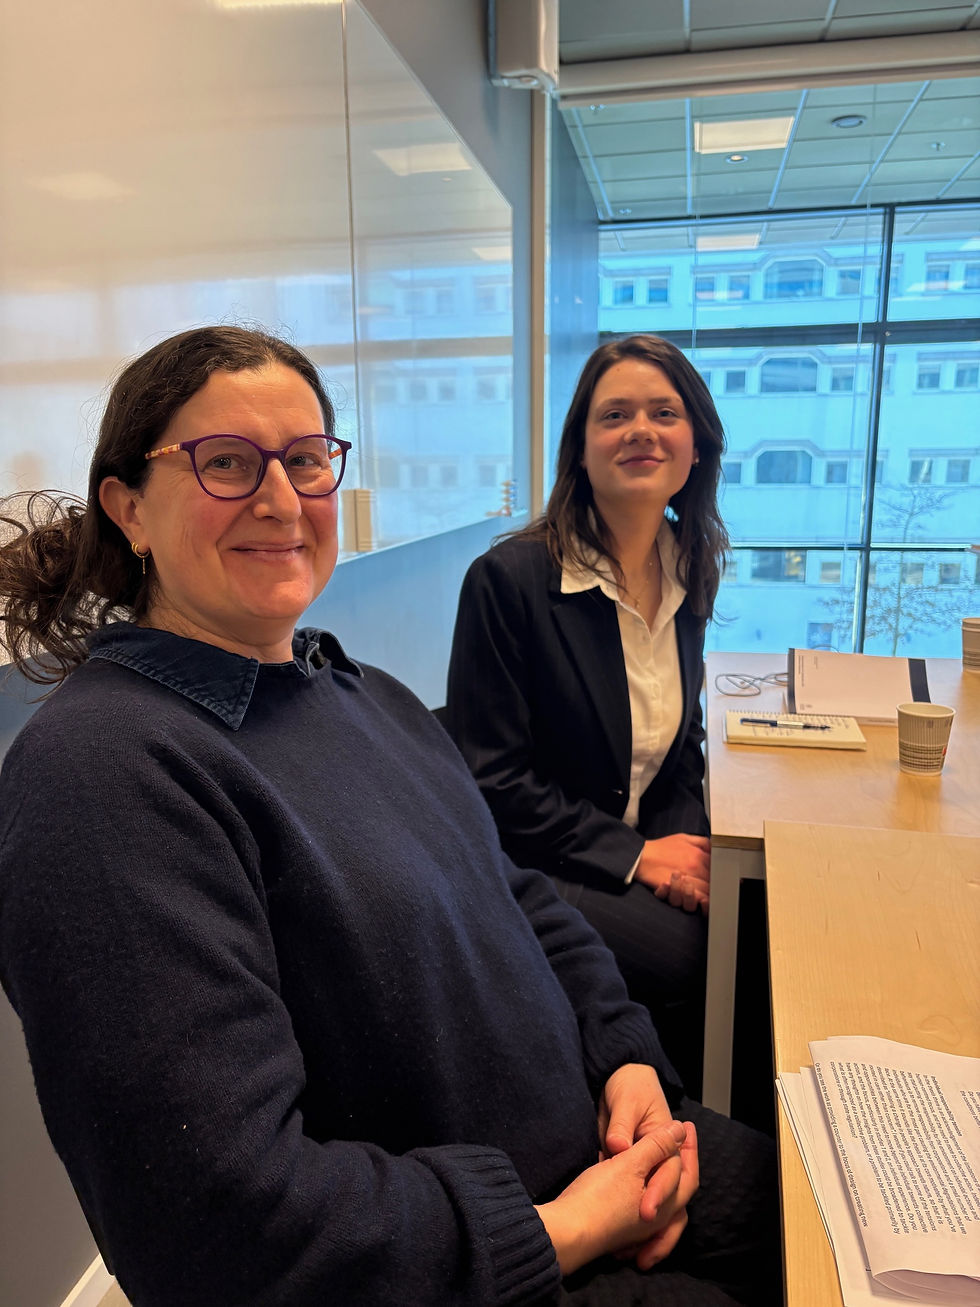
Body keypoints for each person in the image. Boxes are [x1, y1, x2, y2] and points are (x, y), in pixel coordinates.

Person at [0, 326, 778, 1307]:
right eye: (227, 463)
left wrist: (622, 1056)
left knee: (831, 1215)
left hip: (598, 1143)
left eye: (307, 459)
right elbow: (213, 1225)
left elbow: (516, 892)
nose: (280, 499)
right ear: (128, 509)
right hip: (486, 1265)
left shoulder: (363, 692)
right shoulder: (101, 777)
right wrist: (570, 1226)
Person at [446, 336, 729, 1096]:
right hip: (533, 866)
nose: (641, 429)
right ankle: (683, 1125)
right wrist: (640, 858)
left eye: (664, 412)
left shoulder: (687, 566)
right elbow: (491, 782)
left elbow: (683, 746)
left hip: (631, 847)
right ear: (581, 448)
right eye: (615, 415)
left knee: (746, 915)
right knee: (715, 956)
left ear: (695, 445)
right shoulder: (509, 581)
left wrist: (683, 844)